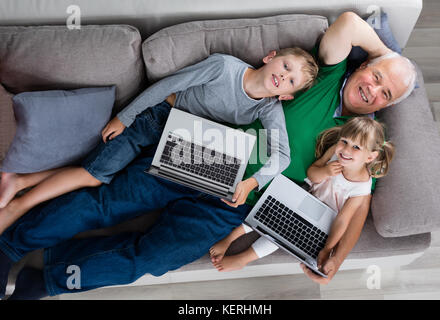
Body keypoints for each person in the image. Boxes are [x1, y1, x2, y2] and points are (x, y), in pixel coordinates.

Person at [0, 12, 417, 299]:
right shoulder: (327, 76)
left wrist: (334, 259)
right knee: (106, 204)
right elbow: (347, 24)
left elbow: (360, 200)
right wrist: (388, 56)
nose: (374, 91)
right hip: (206, 153)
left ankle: (51, 278)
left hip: (243, 201)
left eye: (387, 93)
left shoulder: (368, 134)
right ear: (364, 66)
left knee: (157, 257)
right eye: (376, 76)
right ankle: (11, 247)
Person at [0, 48, 319, 234]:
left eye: (291, 80)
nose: (284, 75)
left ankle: (21, 182)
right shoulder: (224, 67)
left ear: (286, 95)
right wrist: (125, 116)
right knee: (96, 175)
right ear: (271, 57)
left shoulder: (269, 107)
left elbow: (283, 156)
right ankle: (20, 200)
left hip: (187, 137)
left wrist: (253, 182)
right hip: (157, 116)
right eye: (286, 66)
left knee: (121, 183)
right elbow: (169, 84)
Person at [210, 117, 395, 274]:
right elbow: (312, 173)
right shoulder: (334, 153)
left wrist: (328, 248)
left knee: (284, 234)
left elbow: (343, 220)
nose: (346, 150)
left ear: (370, 157)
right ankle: (232, 237)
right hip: (305, 194)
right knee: (272, 208)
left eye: (356, 147)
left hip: (322, 216)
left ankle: (245, 258)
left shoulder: (362, 186)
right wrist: (326, 172)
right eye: (344, 141)